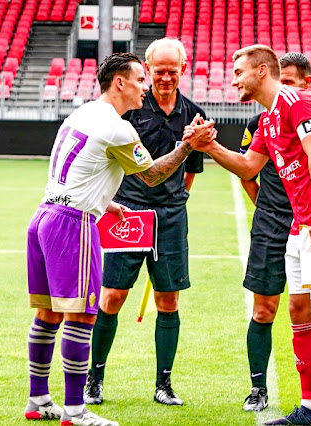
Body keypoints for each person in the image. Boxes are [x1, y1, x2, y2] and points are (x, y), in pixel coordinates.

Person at [24, 52, 214, 426]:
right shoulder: (119, 128)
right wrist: (189, 144)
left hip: (44, 216)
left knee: (47, 314)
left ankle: (39, 400)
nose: (145, 87)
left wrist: (104, 202)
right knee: (81, 317)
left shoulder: (82, 113)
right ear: (121, 83)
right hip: (72, 225)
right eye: (141, 79)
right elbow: (154, 175)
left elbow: (74, 168)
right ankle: (76, 412)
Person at [193, 45, 311, 426]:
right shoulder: (267, 118)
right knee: (298, 311)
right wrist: (208, 146)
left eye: (238, 71)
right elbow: (247, 166)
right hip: (300, 225)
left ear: (262, 71)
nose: (233, 79)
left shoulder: (298, 102)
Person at [84, 38, 208, 407]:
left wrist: (174, 201)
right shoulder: (131, 109)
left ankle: (164, 384)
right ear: (148, 69)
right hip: (128, 212)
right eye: (159, 70)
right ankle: (95, 378)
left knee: (168, 300)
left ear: (183, 69)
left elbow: (191, 171)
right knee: (113, 296)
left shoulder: (193, 114)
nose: (165, 77)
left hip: (171, 217)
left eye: (173, 70)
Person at [240, 52, 311, 413]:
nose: (283, 88)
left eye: (290, 82)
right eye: (280, 80)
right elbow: (248, 171)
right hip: (273, 222)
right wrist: (267, 208)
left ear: (307, 83)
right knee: (264, 309)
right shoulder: (262, 120)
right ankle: (258, 388)